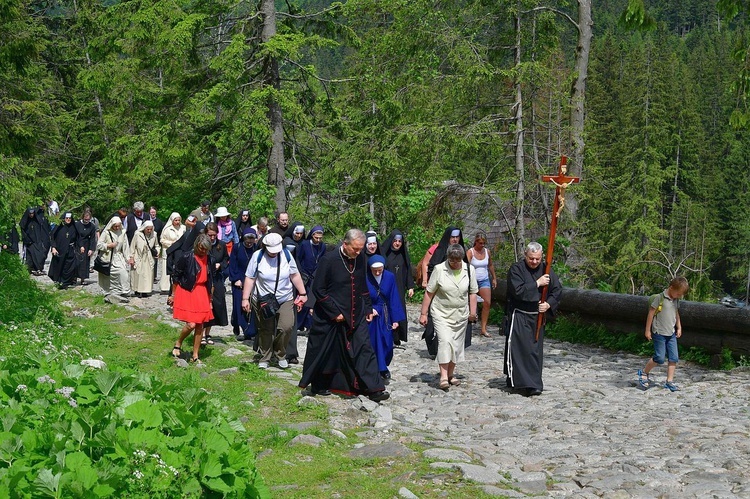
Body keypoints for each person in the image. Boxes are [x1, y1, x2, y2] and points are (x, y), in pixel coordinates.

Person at [298, 229, 390, 402]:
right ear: (345, 244)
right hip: (330, 315)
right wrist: (335, 313)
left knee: (364, 348)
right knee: (327, 351)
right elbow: (318, 289)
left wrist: (368, 308)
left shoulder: (361, 258)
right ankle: (320, 384)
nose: (358, 252)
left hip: (356, 312)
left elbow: (363, 285)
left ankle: (375, 388)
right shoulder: (329, 260)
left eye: (360, 249)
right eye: (355, 249)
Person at [241, 232, 307, 369]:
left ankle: (280, 353)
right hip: (263, 299)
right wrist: (245, 298)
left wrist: (302, 293)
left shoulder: (287, 256)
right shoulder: (257, 256)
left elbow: (294, 275)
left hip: (285, 297)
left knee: (286, 326)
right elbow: (250, 278)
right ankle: (265, 357)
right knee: (266, 329)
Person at [504, 241, 562, 397]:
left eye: (537, 259)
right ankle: (517, 379)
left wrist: (548, 305)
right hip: (520, 314)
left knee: (534, 351)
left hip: (537, 317)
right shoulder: (516, 269)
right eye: (531, 258)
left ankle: (534, 384)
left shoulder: (546, 269)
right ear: (525, 255)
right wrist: (537, 283)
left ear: (541, 256)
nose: (534, 262)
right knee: (519, 349)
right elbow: (517, 290)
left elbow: (556, 290)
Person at [418, 244, 478, 391]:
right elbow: (429, 292)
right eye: (452, 261)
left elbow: (472, 292)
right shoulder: (439, 269)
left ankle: (451, 374)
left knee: (456, 345)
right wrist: (423, 313)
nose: (455, 263)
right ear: (448, 258)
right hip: (441, 313)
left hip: (460, 313)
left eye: (457, 261)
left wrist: (472, 312)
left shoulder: (469, 270)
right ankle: (443, 376)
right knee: (445, 341)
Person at [637, 277, 689, 392]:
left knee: (673, 358)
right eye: (678, 293)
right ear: (671, 288)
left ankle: (669, 381)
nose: (679, 296)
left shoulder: (675, 300)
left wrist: (679, 327)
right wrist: (647, 330)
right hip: (659, 333)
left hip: (671, 333)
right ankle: (644, 373)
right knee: (659, 357)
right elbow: (650, 314)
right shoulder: (659, 298)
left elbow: (676, 314)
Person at [168, 233, 214, 364]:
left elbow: (211, 279)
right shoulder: (186, 257)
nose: (203, 251)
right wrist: (173, 295)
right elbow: (176, 276)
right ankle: (178, 343)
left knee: (200, 325)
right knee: (191, 324)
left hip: (201, 291)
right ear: (196, 245)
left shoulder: (209, 258)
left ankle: (195, 355)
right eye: (201, 248)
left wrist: (210, 299)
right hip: (187, 290)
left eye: (205, 249)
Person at [421, 227, 466, 356]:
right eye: (453, 237)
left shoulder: (462, 251)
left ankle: (448, 350)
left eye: (457, 237)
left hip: (456, 297)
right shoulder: (439, 249)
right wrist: (426, 280)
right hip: (437, 292)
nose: (455, 239)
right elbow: (429, 265)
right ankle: (434, 346)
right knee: (433, 323)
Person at [366, 255, 406, 380]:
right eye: (375, 270)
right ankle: (379, 369)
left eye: (380, 270)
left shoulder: (389, 277)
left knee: (387, 342)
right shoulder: (365, 278)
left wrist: (395, 319)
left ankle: (383, 364)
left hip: (385, 313)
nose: (377, 272)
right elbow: (361, 296)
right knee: (374, 342)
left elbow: (394, 297)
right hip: (371, 315)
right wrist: (369, 309)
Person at [381, 230, 414, 345]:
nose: (397, 243)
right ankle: (388, 334)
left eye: (399, 241)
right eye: (395, 241)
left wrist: (410, 286)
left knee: (399, 309)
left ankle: (398, 335)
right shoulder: (385, 254)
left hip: (399, 286)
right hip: (387, 286)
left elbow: (408, 270)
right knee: (387, 309)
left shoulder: (403, 255)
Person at [228, 227, 259, 340]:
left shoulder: (256, 248)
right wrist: (235, 279)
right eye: (247, 239)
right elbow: (232, 264)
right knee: (239, 305)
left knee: (251, 305)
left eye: (252, 239)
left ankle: (249, 330)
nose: (250, 242)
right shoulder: (237, 247)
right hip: (239, 278)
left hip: (252, 279)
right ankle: (241, 325)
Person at [202, 222, 229, 345]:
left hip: (217, 278)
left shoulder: (221, 245)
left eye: (214, 235)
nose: (212, 238)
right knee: (204, 305)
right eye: (210, 235)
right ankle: (201, 333)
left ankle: (208, 333)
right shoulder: (202, 245)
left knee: (216, 305)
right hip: (205, 278)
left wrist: (220, 265)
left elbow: (226, 259)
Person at [295, 225, 326, 334]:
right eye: (316, 238)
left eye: (320, 238)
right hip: (304, 276)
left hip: (315, 276)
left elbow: (322, 260)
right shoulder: (304, 244)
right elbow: (298, 259)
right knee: (303, 301)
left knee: (312, 303)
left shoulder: (322, 246)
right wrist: (300, 273)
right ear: (312, 235)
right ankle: (298, 325)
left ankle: (309, 326)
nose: (318, 240)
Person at [466, 232, 498, 337]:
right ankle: (468, 324)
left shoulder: (487, 252)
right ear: (476, 242)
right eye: (480, 243)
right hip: (473, 280)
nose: (482, 245)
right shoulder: (470, 252)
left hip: (484, 279)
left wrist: (494, 278)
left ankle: (483, 328)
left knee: (487, 302)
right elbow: (465, 266)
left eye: (484, 243)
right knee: (470, 303)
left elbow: (490, 265)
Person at [96, 216, 131, 303]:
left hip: (118, 257)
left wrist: (128, 258)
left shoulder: (122, 232)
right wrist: (108, 245)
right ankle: (108, 292)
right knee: (107, 275)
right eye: (115, 226)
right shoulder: (106, 233)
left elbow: (125, 247)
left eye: (119, 226)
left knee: (123, 272)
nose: (117, 228)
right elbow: (98, 245)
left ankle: (123, 291)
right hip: (107, 257)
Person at [48, 213, 80, 289]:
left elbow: (78, 238)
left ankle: (66, 282)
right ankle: (58, 281)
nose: (68, 220)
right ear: (64, 218)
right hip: (60, 250)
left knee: (70, 266)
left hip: (71, 249)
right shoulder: (59, 226)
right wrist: (53, 247)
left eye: (69, 218)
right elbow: (52, 236)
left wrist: (80, 247)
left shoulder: (74, 227)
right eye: (66, 218)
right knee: (59, 265)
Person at [129, 220, 159, 297]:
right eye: (147, 229)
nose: (149, 231)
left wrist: (157, 252)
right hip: (139, 256)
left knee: (147, 275)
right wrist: (131, 257)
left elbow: (157, 245)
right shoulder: (137, 234)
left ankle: (145, 290)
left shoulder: (154, 235)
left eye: (150, 229)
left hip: (148, 257)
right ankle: (137, 290)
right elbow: (132, 246)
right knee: (138, 274)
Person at [19, 207, 51, 275]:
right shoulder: (25, 221)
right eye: (30, 213)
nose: (31, 215)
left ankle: (38, 269)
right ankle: (30, 268)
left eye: (33, 213)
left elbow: (41, 229)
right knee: (30, 256)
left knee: (39, 255)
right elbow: (23, 230)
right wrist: (27, 239)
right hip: (29, 241)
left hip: (37, 241)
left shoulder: (37, 220)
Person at [159, 213, 184, 294]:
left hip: (179, 252)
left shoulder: (183, 228)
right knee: (166, 269)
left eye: (178, 220)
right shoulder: (167, 229)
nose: (177, 222)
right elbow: (162, 240)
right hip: (169, 251)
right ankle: (165, 287)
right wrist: (171, 243)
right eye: (175, 220)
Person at [74, 209, 97, 285]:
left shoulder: (92, 226)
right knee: (76, 261)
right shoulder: (77, 224)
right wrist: (80, 246)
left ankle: (82, 279)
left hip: (87, 244)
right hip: (77, 244)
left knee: (85, 262)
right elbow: (76, 236)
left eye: (88, 219)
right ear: (83, 217)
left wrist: (91, 249)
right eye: (85, 219)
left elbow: (93, 238)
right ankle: (74, 278)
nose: (87, 220)